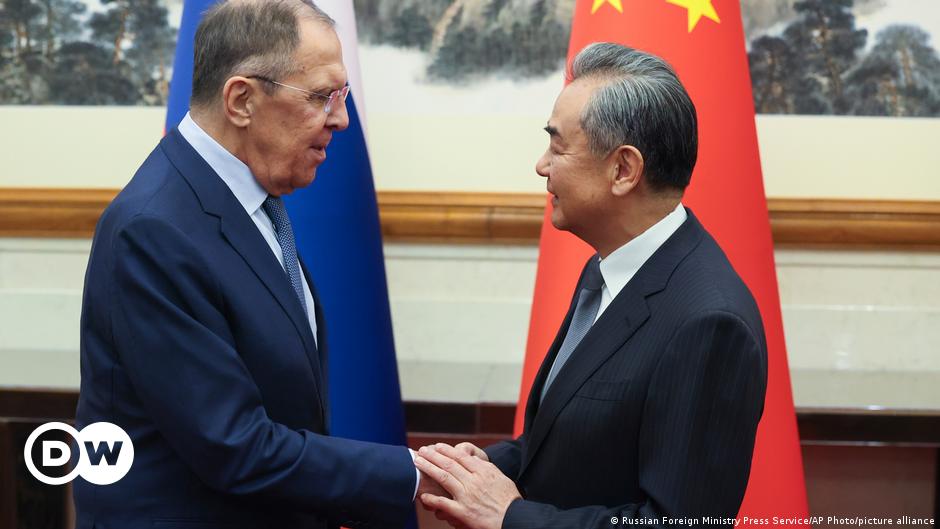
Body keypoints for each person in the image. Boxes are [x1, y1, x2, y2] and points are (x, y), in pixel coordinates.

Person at [75, 1, 435, 527]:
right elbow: (233, 445)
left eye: (343, 94)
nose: (341, 118)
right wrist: (415, 473)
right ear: (241, 100)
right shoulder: (155, 230)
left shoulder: (250, 197)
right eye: (320, 96)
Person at [415, 43, 769, 529]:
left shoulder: (709, 323)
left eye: (558, 147)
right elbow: (561, 444)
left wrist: (511, 518)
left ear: (623, 170)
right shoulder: (608, 269)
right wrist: (478, 469)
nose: (542, 166)